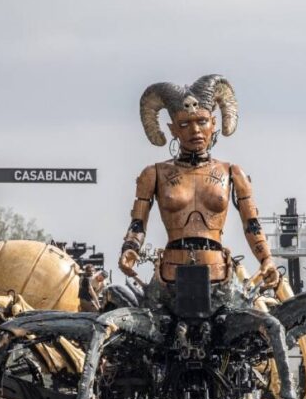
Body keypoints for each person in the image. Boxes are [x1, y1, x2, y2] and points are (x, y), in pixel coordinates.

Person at [118, 75, 279, 288]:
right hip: (169, 280)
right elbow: (138, 223)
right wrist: (130, 249)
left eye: (202, 121)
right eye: (184, 124)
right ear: (173, 129)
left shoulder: (232, 173)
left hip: (219, 278)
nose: (195, 131)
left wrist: (266, 259)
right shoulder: (154, 174)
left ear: (213, 123)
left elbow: (251, 224)